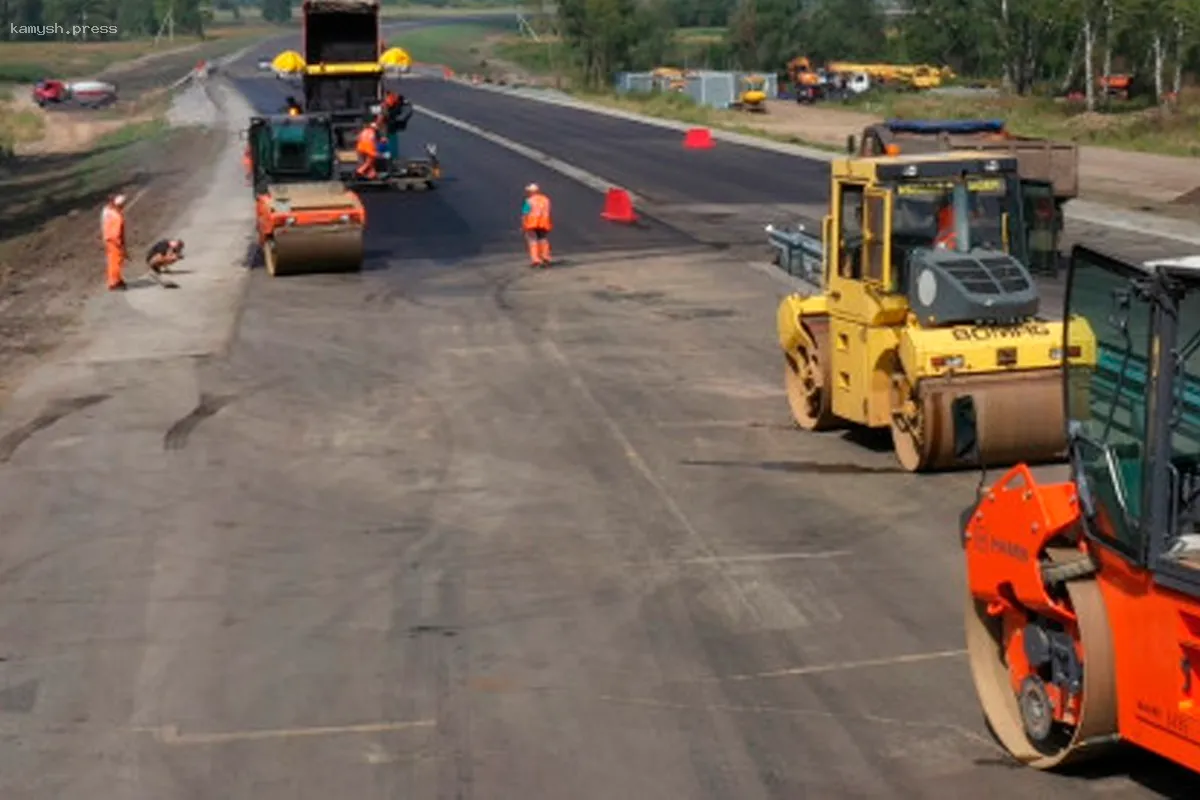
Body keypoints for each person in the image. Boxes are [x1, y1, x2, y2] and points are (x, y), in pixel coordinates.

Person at [521, 183, 552, 268]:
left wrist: (523, 224)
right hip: (543, 223)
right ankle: (546, 257)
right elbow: (548, 210)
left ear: (532, 192)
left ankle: (536, 260)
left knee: (533, 241)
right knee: (543, 240)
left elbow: (525, 213)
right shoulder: (546, 199)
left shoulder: (529, 201)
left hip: (532, 223)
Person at [101, 194, 128, 290]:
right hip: (114, 241)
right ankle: (114, 283)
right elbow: (116, 234)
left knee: (112, 261)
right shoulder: (117, 217)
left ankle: (116, 279)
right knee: (116, 261)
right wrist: (121, 246)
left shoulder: (107, 211)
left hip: (108, 239)